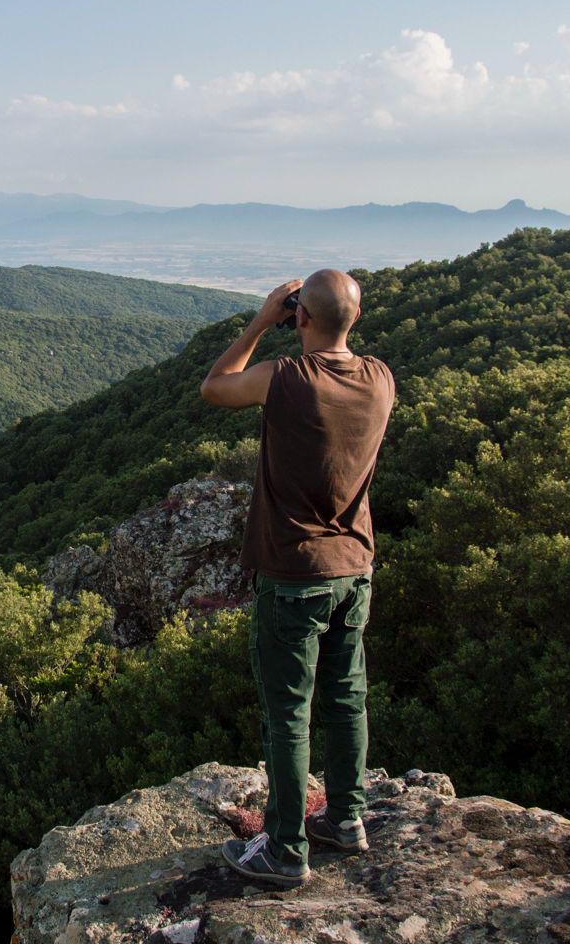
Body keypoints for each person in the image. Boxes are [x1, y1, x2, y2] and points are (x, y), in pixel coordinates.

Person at [198, 269, 395, 886]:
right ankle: (347, 819)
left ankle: (286, 850)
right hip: (354, 568)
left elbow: (214, 387)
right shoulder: (381, 379)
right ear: (354, 320)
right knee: (346, 698)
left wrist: (260, 320)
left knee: (287, 713)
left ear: (300, 318)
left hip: (293, 574)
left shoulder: (288, 380)